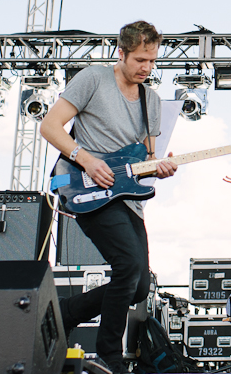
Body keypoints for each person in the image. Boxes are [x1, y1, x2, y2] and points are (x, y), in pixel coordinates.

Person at [41, 21, 178, 373]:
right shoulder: (93, 79)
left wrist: (159, 166)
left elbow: (146, 157)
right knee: (128, 267)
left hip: (128, 197)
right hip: (88, 188)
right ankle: (109, 356)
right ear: (121, 53)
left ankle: (68, 312)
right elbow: (49, 126)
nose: (147, 68)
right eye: (140, 60)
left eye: (152, 60)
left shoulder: (151, 100)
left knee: (139, 286)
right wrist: (86, 159)